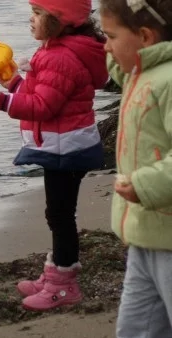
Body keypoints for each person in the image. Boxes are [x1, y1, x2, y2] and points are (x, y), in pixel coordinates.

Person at [0, 0, 108, 311]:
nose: (30, 20)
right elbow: (40, 92)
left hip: (67, 149)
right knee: (58, 214)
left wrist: (2, 102)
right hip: (64, 145)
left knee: (60, 216)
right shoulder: (56, 50)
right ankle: (56, 272)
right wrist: (13, 83)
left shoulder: (60, 57)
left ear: (58, 21)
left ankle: (63, 285)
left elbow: (44, 107)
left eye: (37, 14)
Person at [99, 0, 172, 336]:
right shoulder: (137, 73)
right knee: (135, 329)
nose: (106, 46)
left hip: (168, 237)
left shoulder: (168, 81)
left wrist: (145, 185)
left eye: (111, 36)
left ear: (144, 36)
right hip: (144, 236)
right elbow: (116, 63)